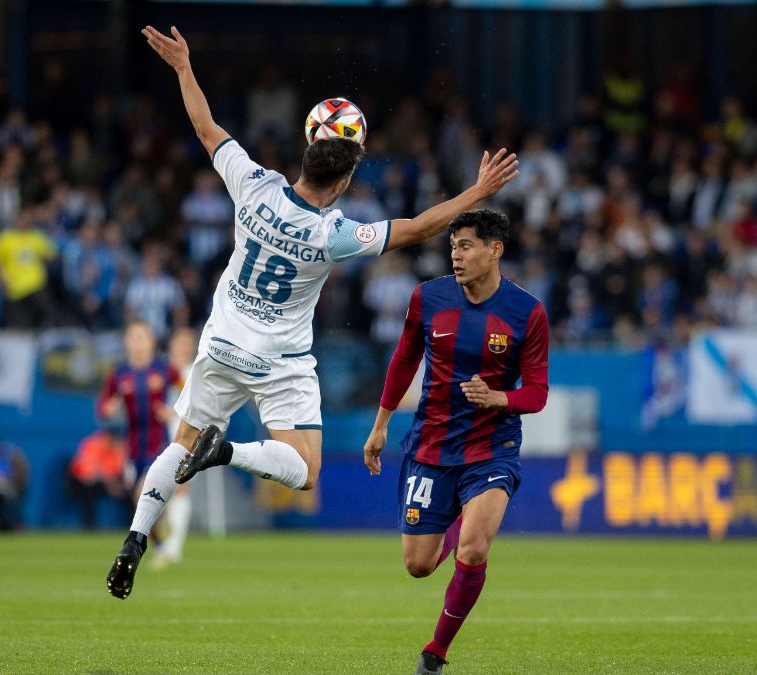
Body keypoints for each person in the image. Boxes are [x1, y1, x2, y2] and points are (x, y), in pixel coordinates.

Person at [107, 25, 518, 599]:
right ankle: (226, 452)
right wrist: (476, 192)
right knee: (305, 469)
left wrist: (184, 69)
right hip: (280, 360)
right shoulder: (333, 233)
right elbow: (422, 227)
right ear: (346, 179)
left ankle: (134, 537)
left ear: (304, 155)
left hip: (220, 345)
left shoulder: (254, 186)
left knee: (179, 442)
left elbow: (205, 128)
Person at [362, 209, 549, 674]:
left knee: (474, 548)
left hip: (492, 448)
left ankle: (436, 653)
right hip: (431, 444)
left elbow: (538, 392)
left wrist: (499, 398)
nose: (456, 256)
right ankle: (456, 520)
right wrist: (381, 423)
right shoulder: (429, 298)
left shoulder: (528, 312)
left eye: (465, 246)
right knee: (418, 565)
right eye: (452, 247)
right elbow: (405, 358)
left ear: (494, 250)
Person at [96, 322, 181, 499]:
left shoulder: (165, 369)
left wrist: (174, 411)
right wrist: (108, 409)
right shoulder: (119, 373)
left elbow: (189, 392)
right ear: (126, 342)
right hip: (133, 445)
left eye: (142, 338)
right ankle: (158, 525)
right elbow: (102, 406)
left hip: (159, 440)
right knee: (146, 497)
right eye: (134, 338)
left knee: (144, 491)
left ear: (152, 342)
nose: (138, 344)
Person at [154, 326, 198, 568]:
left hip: (182, 436)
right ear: (171, 344)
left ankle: (174, 547)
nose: (184, 345)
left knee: (179, 487)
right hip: (151, 438)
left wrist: (174, 412)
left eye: (188, 341)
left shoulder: (196, 372)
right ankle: (163, 544)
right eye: (180, 340)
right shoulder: (158, 370)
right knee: (152, 491)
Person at [68, 424, 132, 529]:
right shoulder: (94, 445)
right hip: (81, 481)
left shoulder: (119, 448)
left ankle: (133, 527)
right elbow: (88, 473)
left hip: (108, 482)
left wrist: (115, 483)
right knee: (89, 491)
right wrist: (109, 481)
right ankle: (88, 527)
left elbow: (120, 470)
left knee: (129, 492)